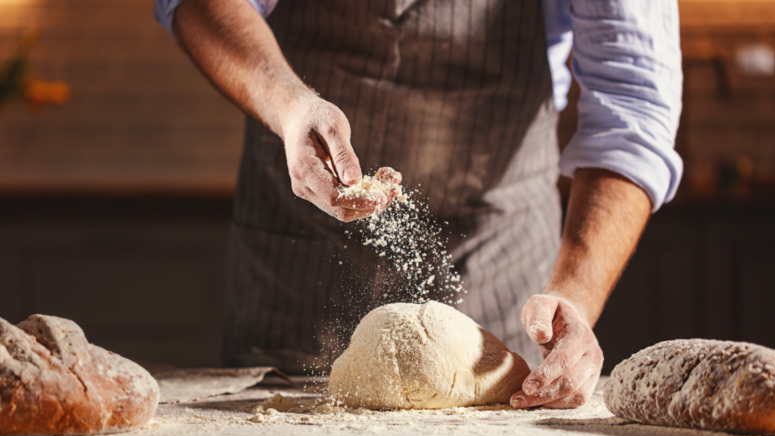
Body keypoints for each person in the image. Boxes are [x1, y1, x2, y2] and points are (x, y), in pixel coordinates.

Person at [155, 0, 682, 409]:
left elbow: (632, 104)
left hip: (500, 258)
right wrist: (292, 107)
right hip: (296, 255)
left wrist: (576, 296)